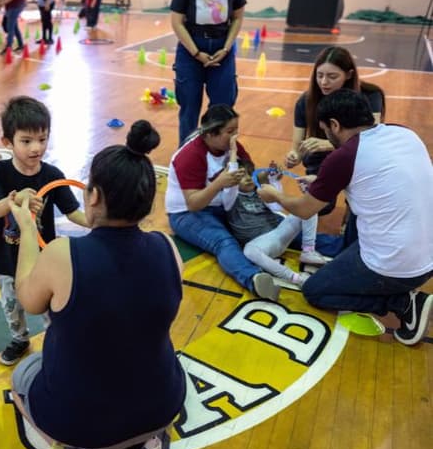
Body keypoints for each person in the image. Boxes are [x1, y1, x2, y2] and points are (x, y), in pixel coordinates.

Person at [9, 120, 185, 449]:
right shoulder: (168, 248)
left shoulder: (62, 255)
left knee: (23, 374)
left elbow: (28, 297)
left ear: (93, 196)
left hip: (82, 422)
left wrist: (28, 228)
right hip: (163, 403)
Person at [260, 89, 433, 346]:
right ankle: (392, 289)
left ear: (335, 125)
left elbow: (306, 209)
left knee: (315, 291)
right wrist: (322, 182)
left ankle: (403, 303)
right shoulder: (403, 133)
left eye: (325, 130)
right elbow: (375, 180)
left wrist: (275, 196)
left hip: (395, 267)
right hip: (426, 255)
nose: (326, 136)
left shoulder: (343, 157)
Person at [0, 96, 88, 366]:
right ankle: (19, 338)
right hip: (6, 256)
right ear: (8, 142)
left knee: (49, 303)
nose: (36, 147)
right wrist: (14, 200)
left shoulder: (52, 175)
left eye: (42, 139)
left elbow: (73, 212)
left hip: (43, 257)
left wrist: (100, 221)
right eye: (26, 141)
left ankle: (56, 339)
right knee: (12, 304)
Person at [166, 104, 280, 301]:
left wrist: (268, 175)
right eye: (230, 131)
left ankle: (336, 246)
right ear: (210, 134)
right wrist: (219, 184)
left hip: (224, 205)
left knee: (276, 222)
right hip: (187, 213)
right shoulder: (190, 156)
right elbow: (194, 204)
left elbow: (250, 178)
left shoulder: (232, 147)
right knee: (224, 241)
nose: (235, 136)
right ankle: (253, 279)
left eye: (236, 130)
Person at [284, 46, 385, 215]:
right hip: (322, 156)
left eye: (332, 77)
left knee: (358, 202)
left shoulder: (370, 95)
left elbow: (369, 140)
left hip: (359, 155)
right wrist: (294, 156)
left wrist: (327, 144)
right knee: (322, 206)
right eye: (319, 75)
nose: (324, 82)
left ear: (349, 75)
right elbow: (297, 146)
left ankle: (349, 217)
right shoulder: (307, 100)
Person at [170, 0, 246, 145]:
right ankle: (186, 153)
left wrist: (226, 47)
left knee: (222, 108)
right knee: (189, 107)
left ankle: (217, 154)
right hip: (191, 50)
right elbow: (177, 22)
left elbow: (238, 17)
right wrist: (196, 53)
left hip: (223, 50)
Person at [222, 151, 328, 288]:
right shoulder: (230, 198)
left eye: (250, 174)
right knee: (249, 251)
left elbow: (277, 206)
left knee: (308, 208)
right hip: (261, 244)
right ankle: (295, 278)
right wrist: (233, 149)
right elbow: (230, 184)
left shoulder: (260, 191)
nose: (248, 178)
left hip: (278, 235)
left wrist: (272, 180)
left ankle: (308, 250)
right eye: (242, 176)